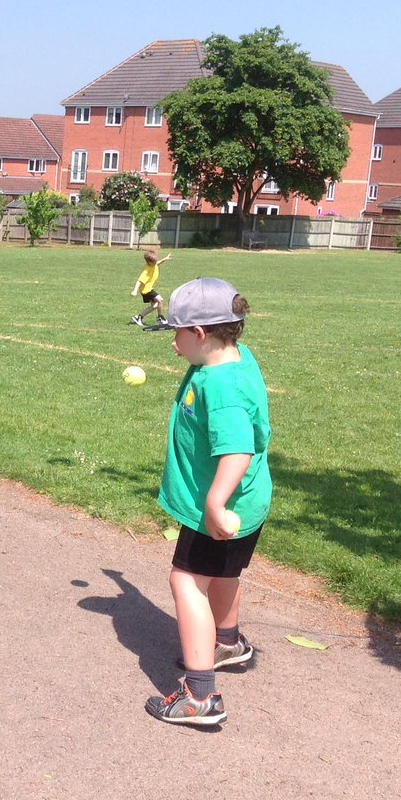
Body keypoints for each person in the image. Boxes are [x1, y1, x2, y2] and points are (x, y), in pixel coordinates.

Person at [144, 277, 272, 726]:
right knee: (224, 573)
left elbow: (236, 448)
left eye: (176, 333)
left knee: (187, 581)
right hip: (249, 502)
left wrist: (215, 503)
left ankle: (199, 696)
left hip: (217, 507)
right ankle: (229, 642)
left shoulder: (220, 387)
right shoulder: (234, 358)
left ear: (200, 334)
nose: (173, 343)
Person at [130, 250, 173, 326]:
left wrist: (164, 259)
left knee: (155, 305)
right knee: (160, 300)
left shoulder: (154, 264)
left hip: (149, 288)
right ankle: (160, 318)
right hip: (146, 290)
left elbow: (157, 263)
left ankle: (139, 317)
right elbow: (139, 281)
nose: (155, 263)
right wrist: (134, 291)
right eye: (153, 262)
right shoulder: (146, 270)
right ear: (148, 262)